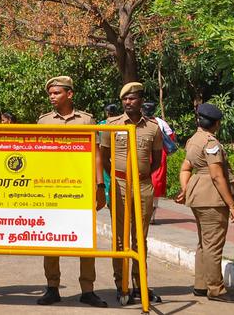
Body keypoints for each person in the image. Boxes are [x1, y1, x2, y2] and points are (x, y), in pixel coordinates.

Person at [34, 76, 107, 307]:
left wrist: (100, 186)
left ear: (70, 94)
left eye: (56, 93)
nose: (52, 97)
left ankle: (88, 289)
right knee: (51, 239)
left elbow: (96, 155)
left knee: (85, 239)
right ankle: (52, 288)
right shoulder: (44, 122)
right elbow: (36, 154)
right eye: (50, 94)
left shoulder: (86, 121)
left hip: (81, 188)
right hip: (52, 188)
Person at [98, 82, 163, 304]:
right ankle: (121, 284)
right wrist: (118, 177)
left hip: (143, 185)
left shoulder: (153, 127)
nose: (127, 102)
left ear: (141, 101)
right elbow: (103, 157)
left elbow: (155, 161)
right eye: (124, 99)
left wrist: (140, 175)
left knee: (140, 238)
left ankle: (140, 284)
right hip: (119, 185)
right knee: (119, 237)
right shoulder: (111, 125)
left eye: (132, 98)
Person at [174, 102, 234, 302]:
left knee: (204, 243)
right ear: (217, 123)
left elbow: (185, 168)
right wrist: (231, 205)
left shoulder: (193, 140)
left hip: (198, 196)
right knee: (213, 245)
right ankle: (216, 289)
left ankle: (201, 285)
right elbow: (217, 176)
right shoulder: (211, 143)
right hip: (212, 198)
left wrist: (186, 189)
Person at [143, 101, 178, 220]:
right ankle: (152, 217)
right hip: (159, 156)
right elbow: (171, 137)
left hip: (143, 155)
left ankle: (141, 214)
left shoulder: (138, 122)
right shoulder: (161, 122)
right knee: (156, 185)